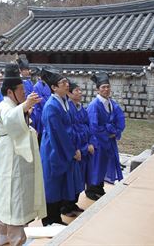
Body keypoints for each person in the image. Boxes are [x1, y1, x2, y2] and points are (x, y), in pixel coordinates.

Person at [0, 64, 46, 246]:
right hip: (10, 155)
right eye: (21, 90)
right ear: (10, 92)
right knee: (13, 194)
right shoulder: (5, 105)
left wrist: (24, 108)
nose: (24, 93)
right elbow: (9, 120)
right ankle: (15, 238)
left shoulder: (13, 104)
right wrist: (24, 106)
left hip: (15, 154)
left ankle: (2, 233)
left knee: (14, 192)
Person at [39, 69, 83, 226]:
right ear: (54, 88)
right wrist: (72, 152)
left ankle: (56, 218)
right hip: (54, 149)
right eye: (62, 83)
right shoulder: (51, 106)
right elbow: (59, 134)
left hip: (63, 148)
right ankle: (49, 220)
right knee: (52, 185)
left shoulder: (65, 102)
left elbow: (71, 128)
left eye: (66, 81)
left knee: (60, 185)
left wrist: (75, 147)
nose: (66, 84)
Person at [86, 72, 125, 201]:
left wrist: (117, 130)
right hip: (98, 141)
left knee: (103, 164)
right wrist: (108, 133)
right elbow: (93, 126)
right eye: (103, 87)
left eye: (108, 87)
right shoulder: (94, 105)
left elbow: (119, 118)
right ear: (97, 89)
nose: (106, 89)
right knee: (95, 164)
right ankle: (91, 189)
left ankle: (99, 187)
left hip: (108, 140)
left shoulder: (111, 103)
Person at [60, 82, 93, 216]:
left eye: (80, 90)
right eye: (76, 90)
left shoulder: (82, 108)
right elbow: (69, 130)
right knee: (71, 178)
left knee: (80, 177)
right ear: (69, 93)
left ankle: (73, 203)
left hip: (84, 145)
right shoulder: (68, 109)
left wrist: (89, 143)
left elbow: (88, 125)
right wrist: (76, 148)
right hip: (76, 147)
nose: (80, 92)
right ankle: (65, 206)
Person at [33, 72, 51, 143]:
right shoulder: (36, 86)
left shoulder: (47, 85)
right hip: (40, 111)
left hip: (47, 108)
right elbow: (40, 100)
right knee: (40, 131)